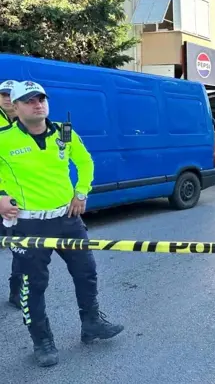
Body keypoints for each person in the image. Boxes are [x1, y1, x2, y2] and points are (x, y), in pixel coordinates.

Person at [0, 81, 123, 367]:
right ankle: (42, 342)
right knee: (33, 286)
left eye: (41, 98)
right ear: (15, 107)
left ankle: (92, 324)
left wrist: (81, 192)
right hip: (28, 224)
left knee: (86, 272)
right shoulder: (3, 138)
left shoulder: (64, 131)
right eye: (28, 100)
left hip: (67, 219)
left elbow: (85, 161)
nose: (37, 104)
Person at [0, 79, 22, 308]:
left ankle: (16, 291)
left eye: (10, 94)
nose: (6, 97)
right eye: (2, 94)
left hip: (17, 198)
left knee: (19, 246)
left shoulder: (27, 122)